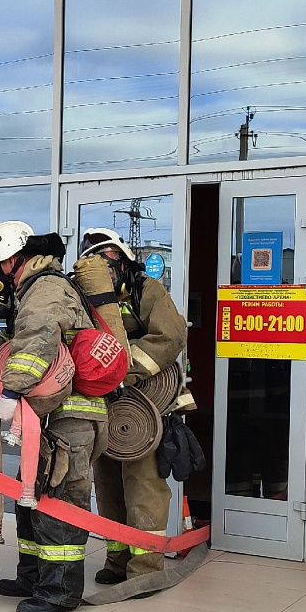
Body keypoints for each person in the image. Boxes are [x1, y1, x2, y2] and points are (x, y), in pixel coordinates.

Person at [0, 221, 106, 612]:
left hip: (69, 416)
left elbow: (37, 342)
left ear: (12, 257)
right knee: (30, 495)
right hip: (51, 414)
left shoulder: (46, 289)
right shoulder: (33, 288)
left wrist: (11, 391)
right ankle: (33, 576)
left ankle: (60, 591)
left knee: (60, 499)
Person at [77, 228, 189, 586]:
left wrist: (125, 370)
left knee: (144, 487)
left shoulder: (148, 291)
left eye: (109, 261)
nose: (105, 270)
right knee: (107, 484)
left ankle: (145, 570)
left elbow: (170, 336)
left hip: (145, 405)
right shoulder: (84, 300)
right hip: (103, 405)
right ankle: (116, 560)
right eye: (95, 262)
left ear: (124, 264)